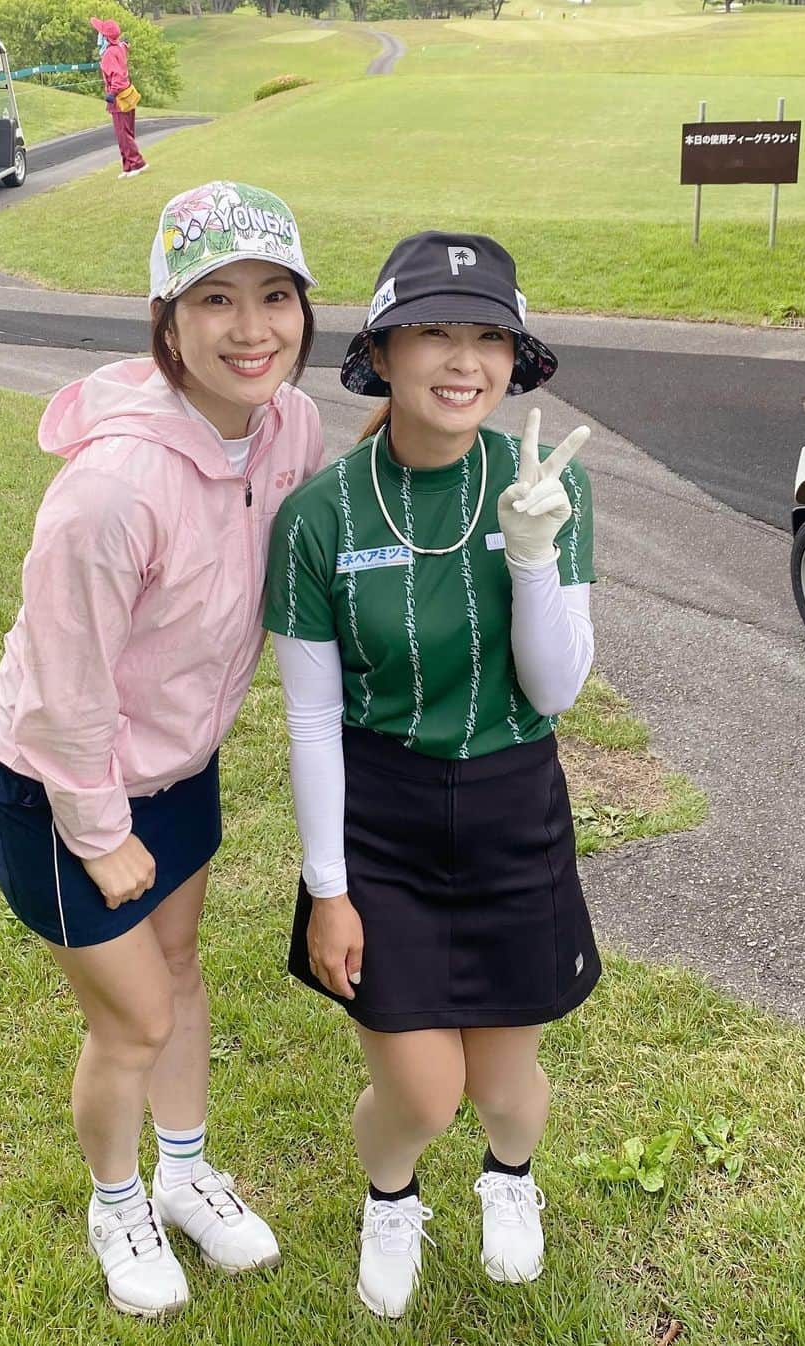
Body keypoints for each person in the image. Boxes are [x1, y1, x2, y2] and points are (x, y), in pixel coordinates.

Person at [0, 181, 322, 1318]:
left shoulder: (292, 424)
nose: (251, 327)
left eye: (276, 294)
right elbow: (66, 685)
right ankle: (116, 1198)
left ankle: (185, 1172)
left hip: (180, 764)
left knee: (180, 971)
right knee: (136, 1017)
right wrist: (99, 826)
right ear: (165, 320)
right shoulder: (110, 490)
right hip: (64, 786)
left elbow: (315, 532)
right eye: (214, 298)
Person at [264, 231, 601, 1318]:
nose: (465, 361)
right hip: (384, 816)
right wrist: (328, 888)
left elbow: (552, 693)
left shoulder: (550, 482)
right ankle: (392, 1191)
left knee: (505, 1088)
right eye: (435, 333)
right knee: (421, 1089)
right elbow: (313, 716)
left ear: (514, 358)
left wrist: (536, 553)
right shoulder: (320, 514)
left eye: (488, 336)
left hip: (514, 807)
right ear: (384, 352)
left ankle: (511, 1176)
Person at [91, 16, 147, 180]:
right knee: (127, 132)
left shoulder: (108, 54)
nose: (98, 36)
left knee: (123, 134)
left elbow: (117, 77)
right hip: (128, 95)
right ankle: (128, 166)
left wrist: (112, 93)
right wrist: (124, 43)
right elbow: (123, 46)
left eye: (100, 33)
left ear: (105, 37)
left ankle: (137, 163)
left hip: (119, 98)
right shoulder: (119, 48)